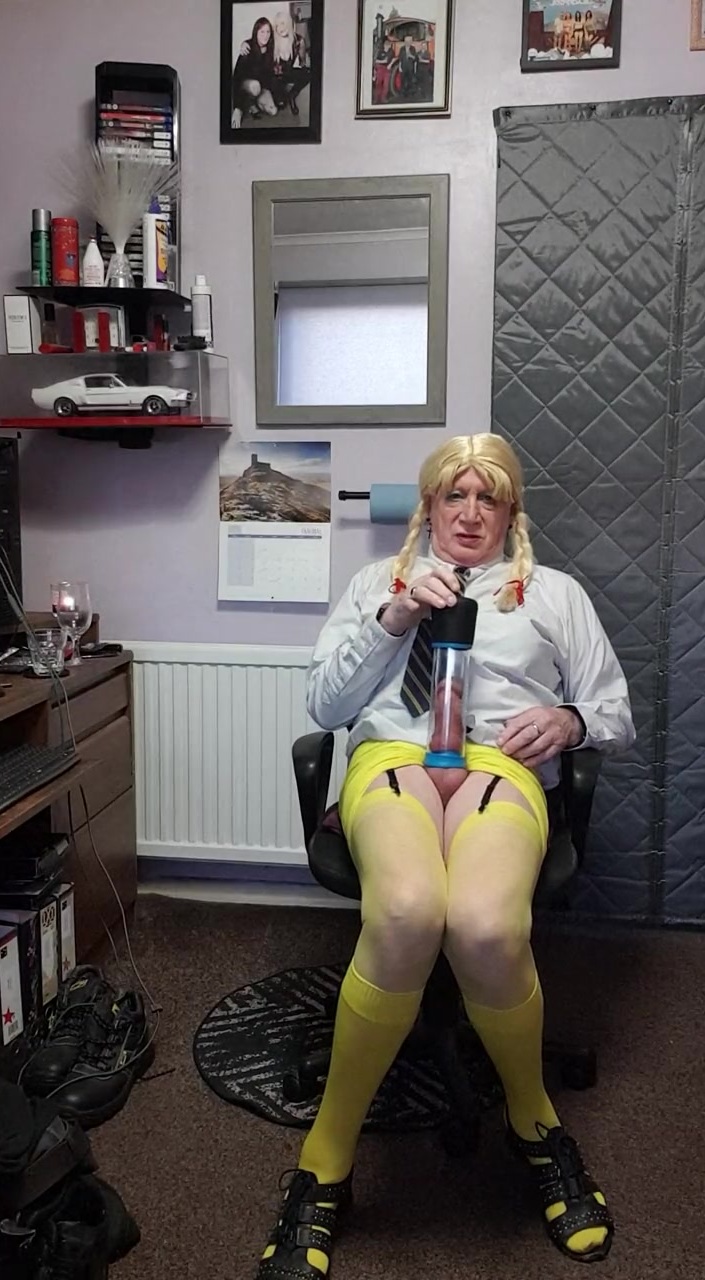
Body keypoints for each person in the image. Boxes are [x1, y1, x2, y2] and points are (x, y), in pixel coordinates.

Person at [254, 434, 634, 1279]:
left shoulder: (553, 594)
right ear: (427, 506)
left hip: (500, 765)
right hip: (393, 758)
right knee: (406, 912)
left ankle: (534, 1123)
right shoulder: (376, 585)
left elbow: (614, 711)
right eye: (452, 495)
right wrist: (393, 620)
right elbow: (324, 705)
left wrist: (570, 721)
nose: (468, 513)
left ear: (509, 512)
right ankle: (324, 1163)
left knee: (484, 926)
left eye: (486, 497)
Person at [231, 17, 278, 128]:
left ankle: (252, 103)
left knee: (273, 111)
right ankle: (245, 104)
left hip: (261, 87)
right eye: (262, 31)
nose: (265, 35)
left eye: (268, 32)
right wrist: (237, 109)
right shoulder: (247, 48)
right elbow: (237, 78)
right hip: (246, 85)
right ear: (256, 32)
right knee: (255, 86)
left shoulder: (271, 49)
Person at [272, 10, 310, 117]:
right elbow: (256, 41)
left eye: (283, 23)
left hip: (288, 72)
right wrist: (244, 44)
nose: (280, 28)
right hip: (275, 77)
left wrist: (301, 68)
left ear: (288, 23)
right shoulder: (272, 41)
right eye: (277, 26)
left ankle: (292, 95)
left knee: (308, 73)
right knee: (281, 105)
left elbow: (302, 63)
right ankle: (281, 95)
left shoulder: (298, 41)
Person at [373, 36, 394, 104]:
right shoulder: (380, 51)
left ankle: (383, 98)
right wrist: (382, 61)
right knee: (378, 84)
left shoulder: (391, 52)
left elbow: (388, 60)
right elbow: (376, 61)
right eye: (386, 45)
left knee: (386, 85)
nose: (388, 46)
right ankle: (376, 99)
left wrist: (389, 63)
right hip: (380, 68)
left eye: (389, 45)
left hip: (387, 69)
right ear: (384, 45)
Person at [399, 32, 417, 100]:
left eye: (409, 41)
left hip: (410, 67)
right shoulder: (402, 48)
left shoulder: (413, 48)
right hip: (404, 67)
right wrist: (400, 67)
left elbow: (415, 58)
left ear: (411, 42)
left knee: (410, 81)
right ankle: (404, 94)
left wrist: (411, 55)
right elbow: (400, 58)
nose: (407, 42)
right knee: (403, 80)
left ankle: (411, 94)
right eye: (406, 41)